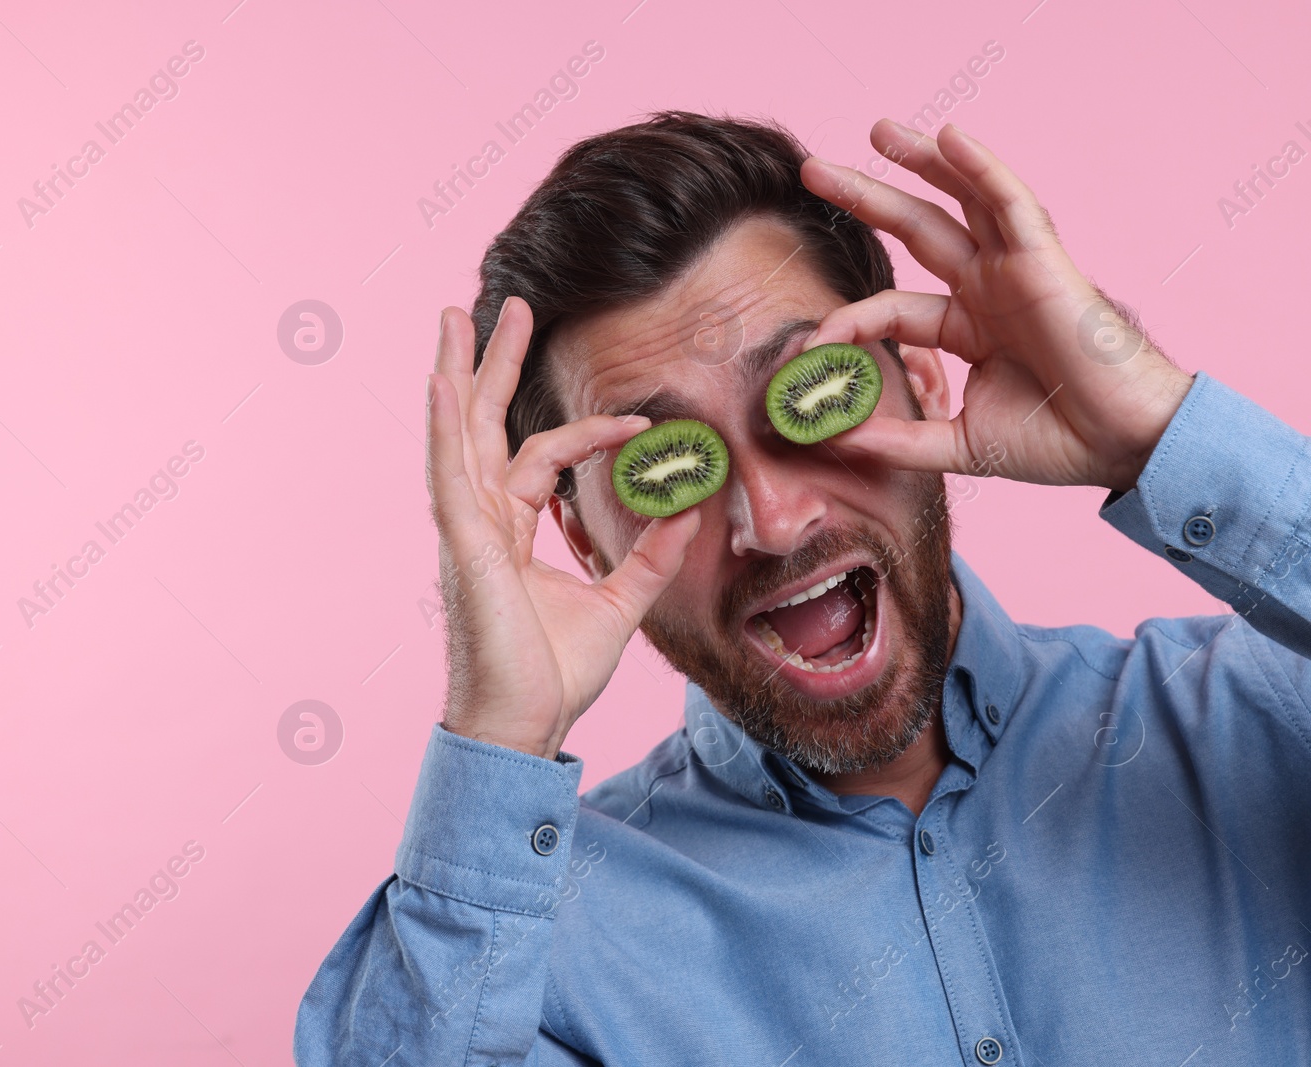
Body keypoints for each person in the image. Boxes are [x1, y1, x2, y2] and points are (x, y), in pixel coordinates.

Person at [294, 111, 1311, 1064]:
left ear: (920, 377)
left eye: (809, 397)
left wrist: (1160, 430)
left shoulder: (1258, 715)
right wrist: (492, 736)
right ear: (580, 538)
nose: (771, 520)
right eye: (665, 468)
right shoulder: (542, 949)